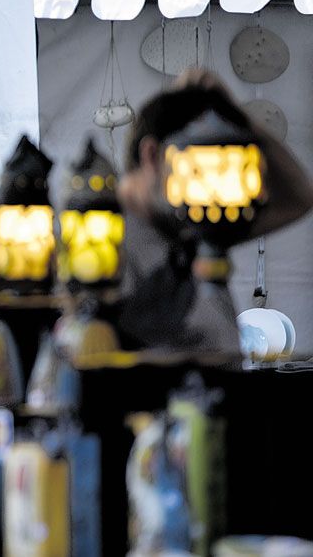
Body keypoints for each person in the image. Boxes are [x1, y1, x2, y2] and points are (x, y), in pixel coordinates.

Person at [116, 69, 313, 352]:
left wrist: (236, 117)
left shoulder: (191, 222)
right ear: (151, 155)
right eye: (198, 168)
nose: (214, 187)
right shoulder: (101, 231)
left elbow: (298, 197)